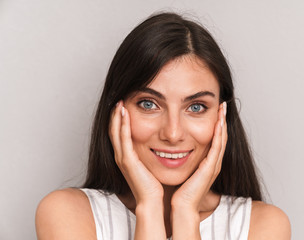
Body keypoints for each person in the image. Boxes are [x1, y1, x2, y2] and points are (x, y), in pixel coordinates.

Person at [35, 12, 291, 239]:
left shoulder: (261, 226)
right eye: (148, 104)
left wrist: (186, 211)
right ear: (116, 110)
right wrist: (149, 207)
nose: (173, 133)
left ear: (221, 116)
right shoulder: (67, 213)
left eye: (196, 107)